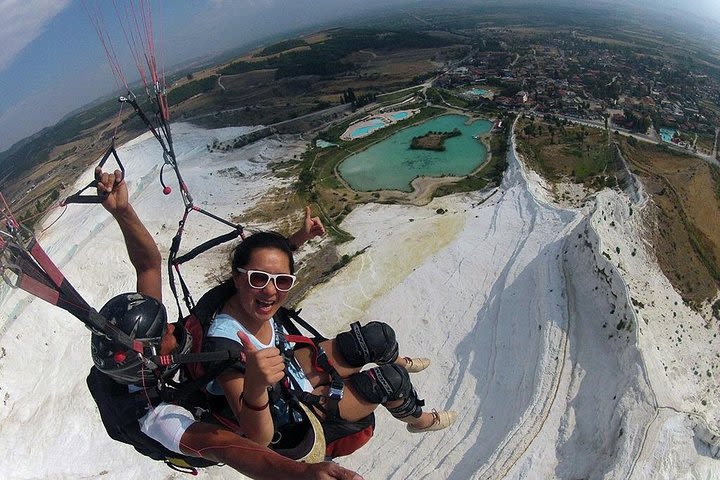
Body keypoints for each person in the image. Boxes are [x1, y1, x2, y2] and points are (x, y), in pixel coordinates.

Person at [88, 167, 363, 480]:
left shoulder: (143, 336)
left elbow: (148, 265)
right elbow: (231, 448)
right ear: (150, 358)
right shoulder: (160, 420)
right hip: (202, 430)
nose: (170, 328)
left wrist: (123, 210)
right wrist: (300, 474)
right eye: (163, 332)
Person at [201, 231, 457, 453]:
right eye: (259, 278)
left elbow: (270, 264)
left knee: (378, 338)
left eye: (282, 280)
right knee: (391, 381)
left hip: (290, 371)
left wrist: (299, 239)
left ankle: (393, 357)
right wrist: (255, 386)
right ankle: (420, 421)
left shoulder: (249, 299)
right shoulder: (226, 348)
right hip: (290, 411)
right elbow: (258, 439)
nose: (270, 290)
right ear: (237, 277)